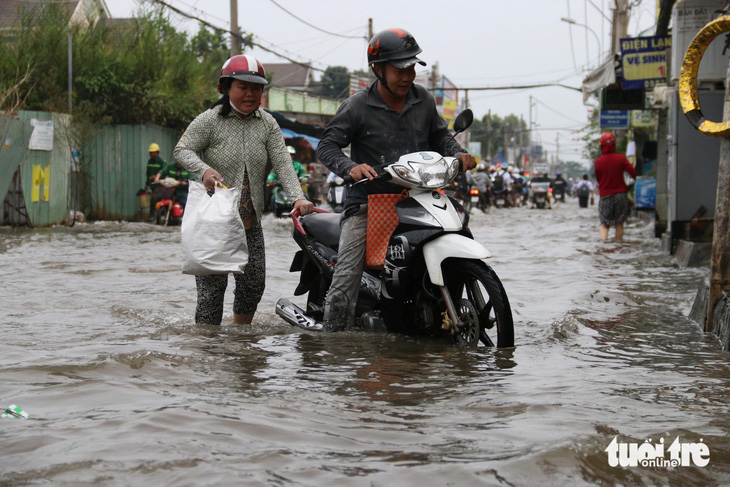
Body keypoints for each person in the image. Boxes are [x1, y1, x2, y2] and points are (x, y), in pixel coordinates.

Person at [316, 27, 476, 332]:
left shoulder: (424, 100)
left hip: (419, 198)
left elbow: (442, 137)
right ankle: (332, 340)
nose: (407, 75)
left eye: (412, 67)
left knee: (461, 234)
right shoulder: (357, 106)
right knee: (346, 275)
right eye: (399, 68)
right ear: (378, 69)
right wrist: (350, 167)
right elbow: (327, 146)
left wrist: (459, 153)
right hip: (368, 202)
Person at [174, 54, 314, 326]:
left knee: (253, 286)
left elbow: (283, 163)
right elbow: (182, 149)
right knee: (211, 295)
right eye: (243, 87)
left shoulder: (267, 124)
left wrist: (298, 196)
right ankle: (209, 352)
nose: (250, 94)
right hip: (214, 224)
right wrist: (203, 171)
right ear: (225, 88)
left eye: (256, 88)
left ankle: (241, 343)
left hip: (250, 222)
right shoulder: (210, 120)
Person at [594, 132, 637, 241]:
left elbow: (599, 179)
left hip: (605, 195)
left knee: (604, 224)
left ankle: (603, 244)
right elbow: (633, 173)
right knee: (619, 222)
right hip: (621, 195)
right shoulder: (621, 159)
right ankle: (618, 245)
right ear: (614, 145)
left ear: (601, 146)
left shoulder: (598, 162)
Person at [145, 143, 166, 216]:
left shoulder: (161, 162)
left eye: (153, 152)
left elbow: (164, 173)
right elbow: (148, 173)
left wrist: (157, 177)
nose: (151, 154)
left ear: (157, 152)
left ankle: (154, 216)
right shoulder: (149, 161)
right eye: (150, 153)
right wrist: (147, 184)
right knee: (153, 199)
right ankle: (154, 216)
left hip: (159, 186)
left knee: (154, 199)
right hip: (152, 185)